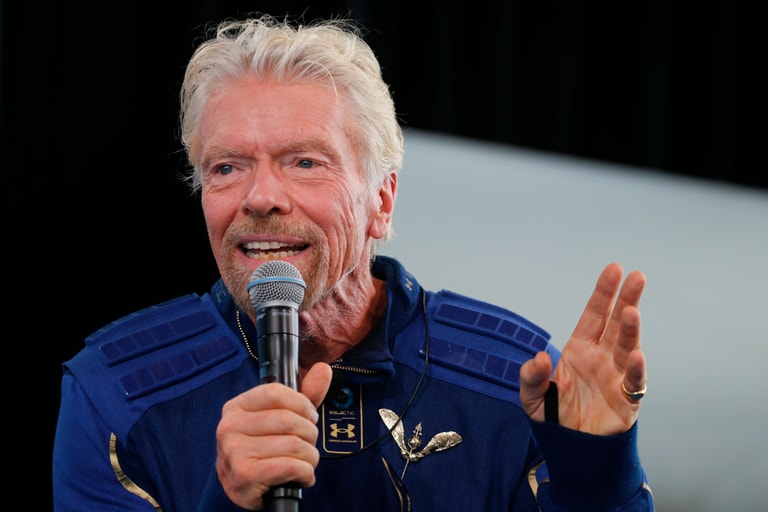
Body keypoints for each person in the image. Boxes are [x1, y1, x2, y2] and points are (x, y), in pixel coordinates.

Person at [52, 13, 653, 512]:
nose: (260, 197)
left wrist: (597, 471)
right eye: (227, 167)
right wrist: (229, 501)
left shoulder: (516, 382)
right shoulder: (115, 391)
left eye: (304, 162)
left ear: (381, 201)